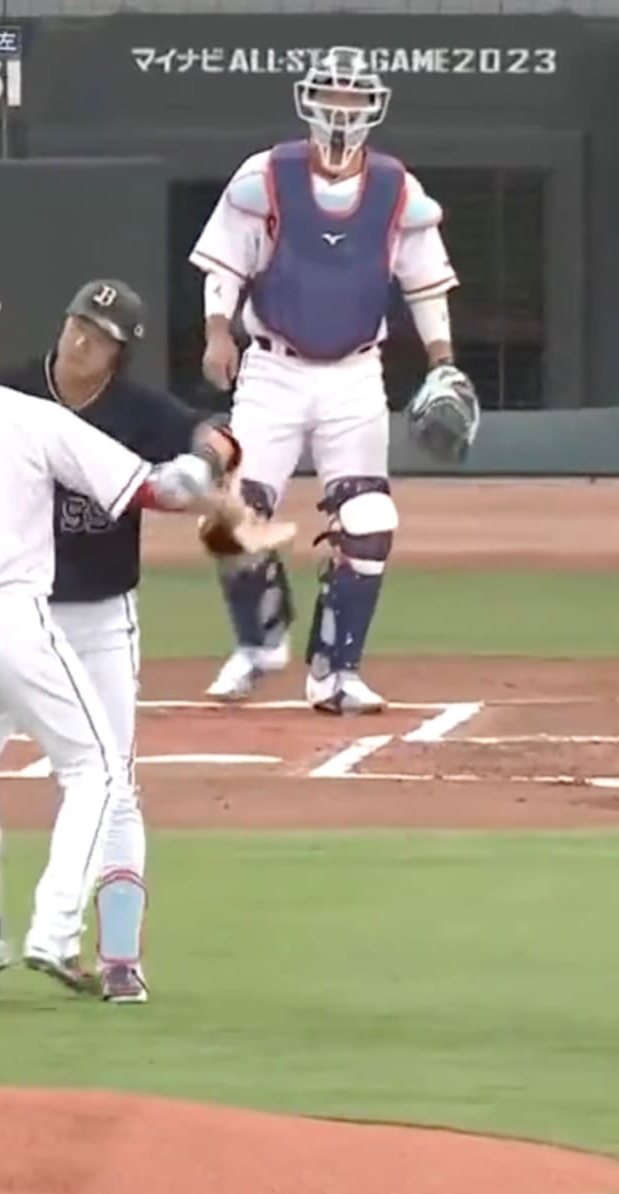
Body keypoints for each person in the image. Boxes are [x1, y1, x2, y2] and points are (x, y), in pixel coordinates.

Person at [0, 286, 238, 1008]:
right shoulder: (27, 407)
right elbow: (145, 491)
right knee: (96, 771)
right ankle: (49, 932)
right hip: (18, 617)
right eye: (78, 324)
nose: (85, 340)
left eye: (102, 332)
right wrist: (191, 487)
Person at [189, 46, 474, 714]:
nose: (341, 110)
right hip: (272, 368)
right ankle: (259, 643)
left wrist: (444, 361)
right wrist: (216, 329)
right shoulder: (267, 176)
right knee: (230, 516)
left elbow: (425, 282)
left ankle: (336, 669)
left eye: (353, 98)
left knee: (370, 516)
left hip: (354, 373)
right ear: (308, 99)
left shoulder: (396, 189)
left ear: (372, 107)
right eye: (332, 96)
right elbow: (225, 264)